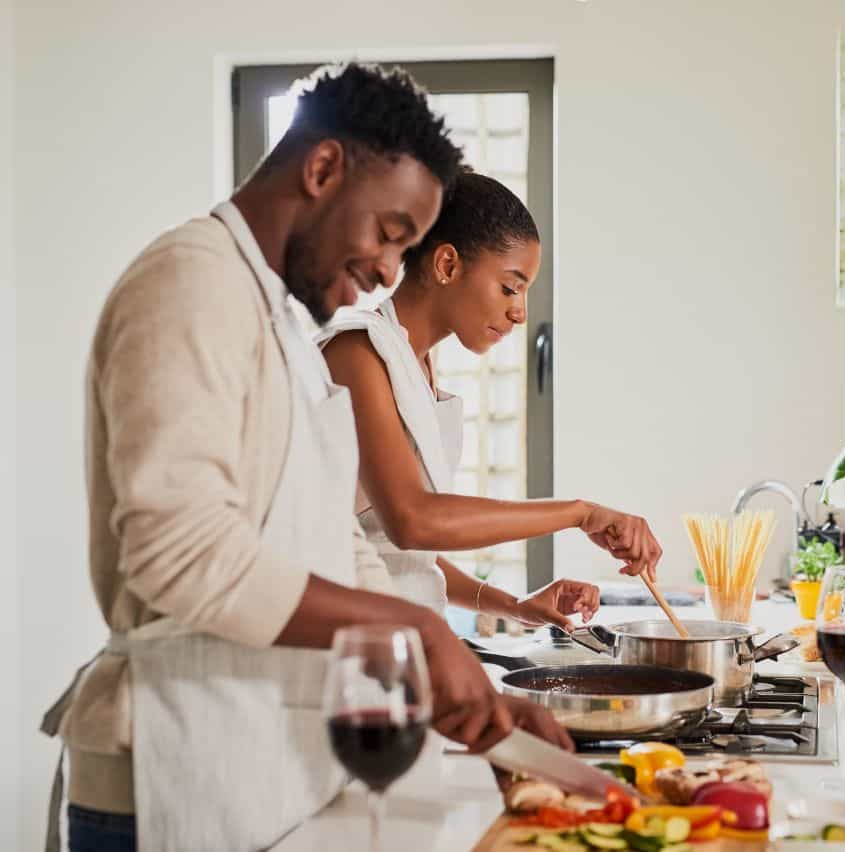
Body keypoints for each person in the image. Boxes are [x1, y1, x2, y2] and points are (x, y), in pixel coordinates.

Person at [40, 64, 569, 852]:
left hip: (265, 760)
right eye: (390, 234)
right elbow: (176, 556)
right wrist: (413, 632)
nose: (392, 271)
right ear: (322, 170)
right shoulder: (190, 281)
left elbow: (332, 531)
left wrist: (441, 655)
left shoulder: (285, 324)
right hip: (166, 771)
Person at [318, 171, 663, 626]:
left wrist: (513, 606)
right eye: (510, 286)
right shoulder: (357, 353)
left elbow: (393, 548)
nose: (520, 312)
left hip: (401, 640)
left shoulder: (414, 369)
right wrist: (581, 513)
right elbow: (412, 521)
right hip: (340, 646)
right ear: (447, 265)